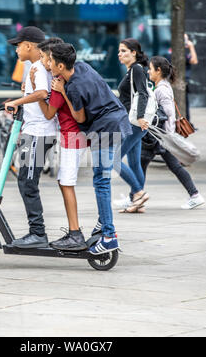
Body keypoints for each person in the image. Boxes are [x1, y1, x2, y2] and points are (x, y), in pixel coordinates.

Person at [49, 43, 132, 255]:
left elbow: (79, 117)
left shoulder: (72, 87)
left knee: (101, 182)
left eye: (50, 61)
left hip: (105, 128)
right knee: (102, 179)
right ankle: (102, 224)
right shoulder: (83, 66)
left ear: (60, 65)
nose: (48, 65)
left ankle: (109, 235)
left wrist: (63, 91)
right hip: (117, 120)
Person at [30, 37, 88, 251]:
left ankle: (75, 233)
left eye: (47, 58)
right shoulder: (69, 76)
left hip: (72, 136)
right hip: (74, 136)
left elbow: (48, 114)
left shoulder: (57, 84)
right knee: (65, 182)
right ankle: (75, 232)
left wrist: (37, 92)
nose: (45, 62)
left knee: (66, 183)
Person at [4, 26, 57, 249]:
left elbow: (43, 94)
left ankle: (37, 233)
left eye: (18, 45)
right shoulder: (39, 67)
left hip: (39, 133)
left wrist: (16, 102)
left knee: (27, 182)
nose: (16, 50)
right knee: (25, 180)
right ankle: (36, 232)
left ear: (28, 45)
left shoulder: (37, 65)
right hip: (34, 132)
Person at [141, 56, 205, 210]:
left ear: (158, 70)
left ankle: (136, 196)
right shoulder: (161, 86)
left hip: (162, 137)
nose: (148, 71)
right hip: (161, 136)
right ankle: (135, 195)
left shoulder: (162, 89)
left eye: (151, 68)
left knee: (142, 164)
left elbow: (168, 112)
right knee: (145, 164)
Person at [113, 38, 150, 213]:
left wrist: (141, 116)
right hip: (133, 121)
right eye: (119, 51)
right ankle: (136, 203)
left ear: (134, 52)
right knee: (134, 163)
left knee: (113, 159)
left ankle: (138, 192)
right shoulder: (132, 70)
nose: (120, 54)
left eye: (124, 51)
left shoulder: (136, 69)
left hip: (135, 122)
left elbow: (142, 93)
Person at [185, 34, 198, 123]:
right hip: (178, 81)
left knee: (185, 103)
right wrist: (191, 47)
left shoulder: (185, 53)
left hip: (184, 81)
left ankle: (187, 123)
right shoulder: (179, 52)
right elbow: (194, 60)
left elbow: (194, 60)